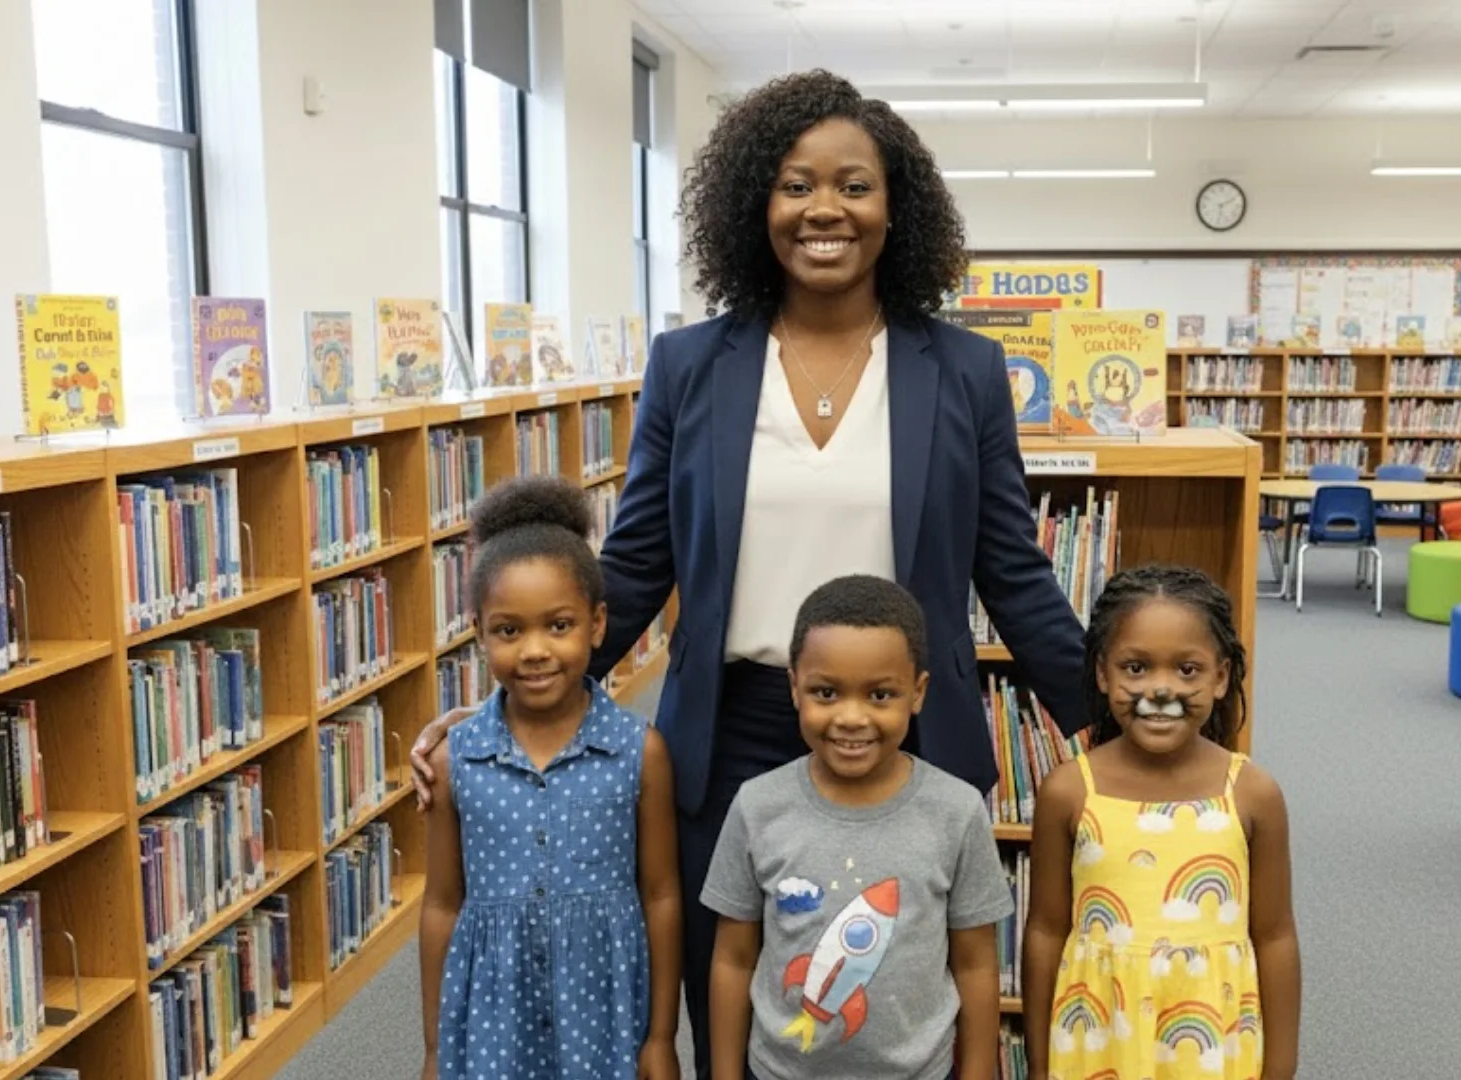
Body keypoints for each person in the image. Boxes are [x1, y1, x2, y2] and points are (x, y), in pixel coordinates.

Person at [410, 68, 1088, 1073]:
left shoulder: (963, 371)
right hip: (726, 736)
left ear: (895, 207)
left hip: (902, 735)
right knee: (724, 994)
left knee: (896, 993)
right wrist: (511, 709)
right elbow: (635, 566)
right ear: (754, 206)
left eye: (854, 186)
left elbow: (1012, 571)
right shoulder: (692, 366)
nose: (825, 209)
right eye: (795, 184)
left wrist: (1109, 725)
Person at [418, 476, 683, 1080]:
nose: (535, 650)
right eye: (509, 631)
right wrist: (435, 1050)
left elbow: (662, 895)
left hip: (603, 1015)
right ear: (479, 635)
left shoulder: (639, 752)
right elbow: (440, 904)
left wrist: (661, 1037)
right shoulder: (454, 760)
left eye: (557, 626)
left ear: (597, 624)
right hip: (492, 1022)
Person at [701, 575, 1012, 1080]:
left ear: (918, 693)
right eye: (826, 692)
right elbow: (734, 959)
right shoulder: (757, 805)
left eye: (880, 695)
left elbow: (976, 963)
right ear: (794, 688)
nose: (851, 717)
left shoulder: (957, 810)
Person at [1021, 566, 1300, 1080]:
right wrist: (1038, 1065)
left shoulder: (1253, 794)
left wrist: (1280, 1069)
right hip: (1097, 1042)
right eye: (1136, 668)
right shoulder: (1068, 791)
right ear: (1103, 674)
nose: (1161, 690)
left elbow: (1276, 936)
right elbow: (1044, 930)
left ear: (1221, 677)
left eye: (1187, 671)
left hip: (1213, 1045)